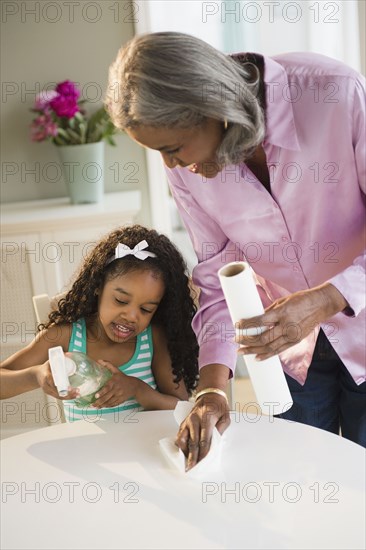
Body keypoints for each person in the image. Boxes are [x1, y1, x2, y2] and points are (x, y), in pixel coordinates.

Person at [106, 31, 366, 464]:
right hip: (290, 351)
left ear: (215, 110)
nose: (172, 166)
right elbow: (218, 276)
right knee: (305, 486)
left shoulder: (335, 95)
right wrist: (211, 391)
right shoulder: (188, 164)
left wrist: (327, 298)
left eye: (172, 149)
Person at [0, 225, 199, 421]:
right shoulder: (66, 336)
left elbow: (182, 407)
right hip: (85, 451)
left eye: (146, 309)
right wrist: (35, 375)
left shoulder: (152, 338)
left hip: (142, 450)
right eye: (121, 300)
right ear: (98, 287)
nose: (131, 316)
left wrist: (137, 389)